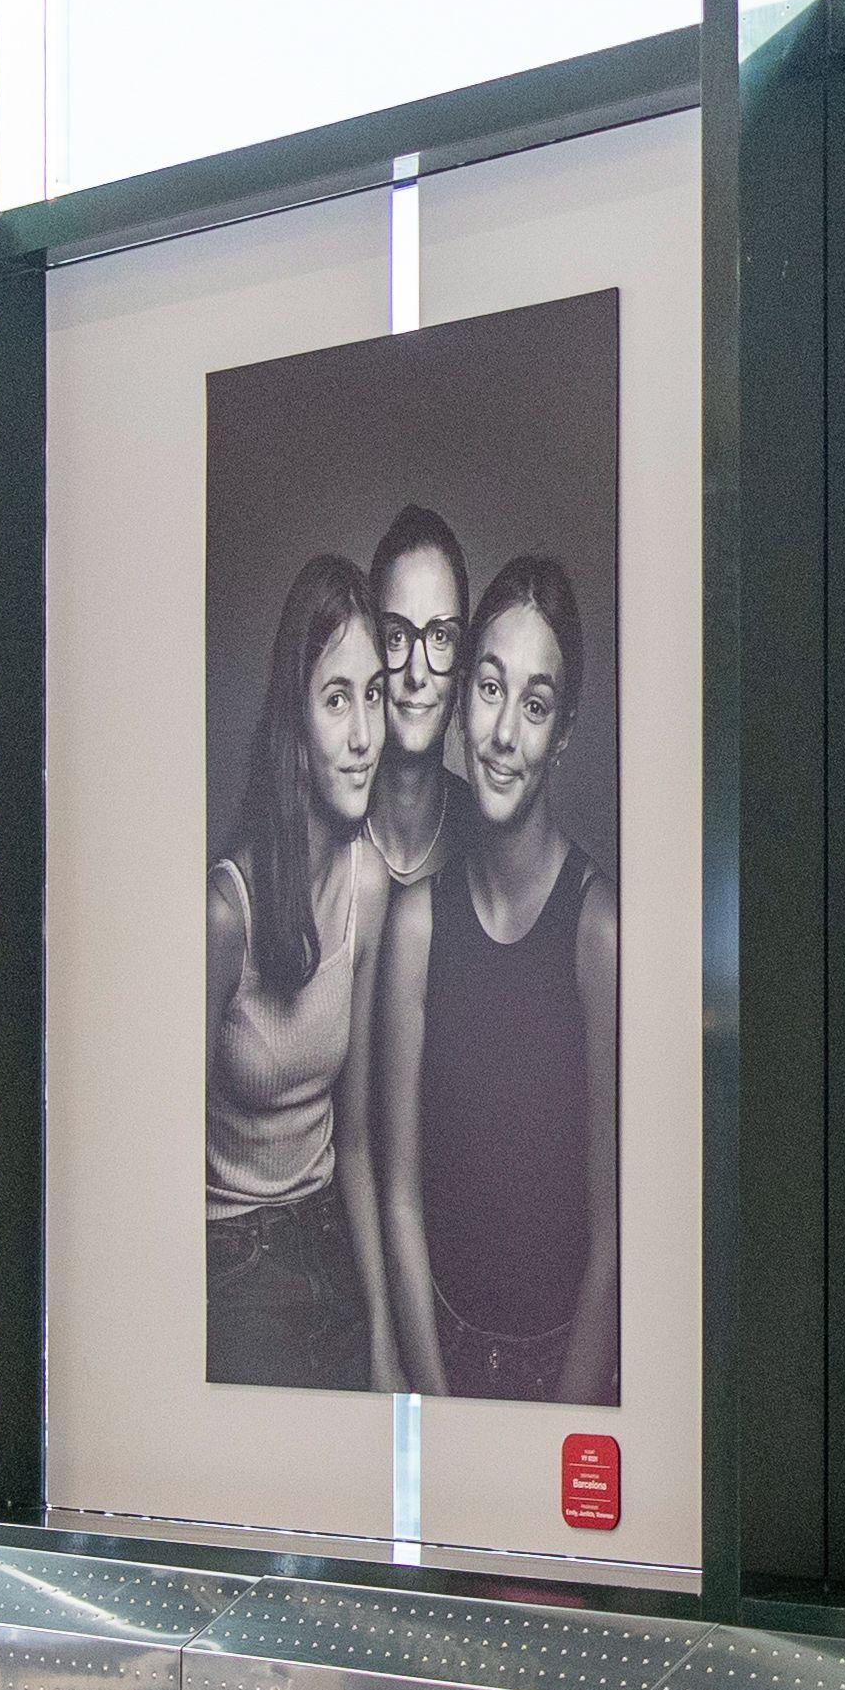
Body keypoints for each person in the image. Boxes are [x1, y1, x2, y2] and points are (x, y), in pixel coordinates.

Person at [371, 553, 619, 1405]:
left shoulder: (599, 931)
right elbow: (397, 1198)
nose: (504, 732)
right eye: (487, 687)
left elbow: (613, 1238)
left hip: (567, 1370)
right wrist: (437, 1407)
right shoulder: (417, 924)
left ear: (563, 731)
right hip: (438, 1355)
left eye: (535, 704)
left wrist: (555, 1427)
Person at [208, 552, 396, 1390]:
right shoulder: (224, 913)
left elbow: (353, 1138)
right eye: (335, 699)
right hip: (230, 1257)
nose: (363, 736)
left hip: (329, 1238)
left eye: (374, 695)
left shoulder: (371, 885)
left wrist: (386, 1335)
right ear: (295, 719)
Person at [362, 509, 470, 898]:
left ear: (463, 659)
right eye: (396, 636)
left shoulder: (487, 838)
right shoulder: (326, 830)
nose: (416, 673)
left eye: (440, 636)